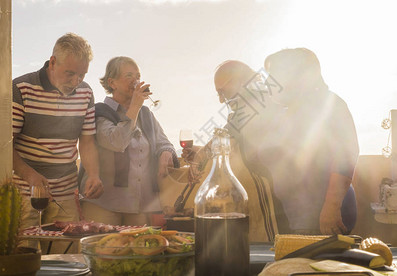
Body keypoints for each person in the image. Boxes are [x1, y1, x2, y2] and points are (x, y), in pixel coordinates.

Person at [12, 33, 103, 251]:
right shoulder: (21, 89)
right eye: (70, 73)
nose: (75, 81)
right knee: (26, 257)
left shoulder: (86, 93)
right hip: (26, 196)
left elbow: (87, 142)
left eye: (81, 74)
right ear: (52, 62)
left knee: (68, 260)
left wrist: (93, 174)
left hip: (66, 194)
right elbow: (5, 145)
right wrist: (30, 176)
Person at [259, 47, 359, 235]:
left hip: (320, 215)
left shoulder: (329, 104)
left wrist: (331, 208)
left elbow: (346, 156)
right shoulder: (285, 112)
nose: (268, 82)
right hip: (295, 215)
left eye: (274, 75)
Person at [183, 60, 282, 242]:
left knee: (272, 249)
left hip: (275, 191)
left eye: (222, 91)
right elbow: (228, 138)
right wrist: (199, 152)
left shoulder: (256, 100)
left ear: (238, 81)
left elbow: (228, 134)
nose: (221, 99)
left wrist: (201, 156)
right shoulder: (250, 101)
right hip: (268, 189)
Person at [79, 56, 179, 227]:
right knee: (105, 250)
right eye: (129, 76)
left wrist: (166, 152)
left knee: (140, 250)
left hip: (140, 205)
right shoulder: (99, 112)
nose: (136, 81)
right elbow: (117, 142)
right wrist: (135, 107)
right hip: (104, 204)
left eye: (138, 76)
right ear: (112, 82)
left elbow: (164, 142)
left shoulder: (146, 114)